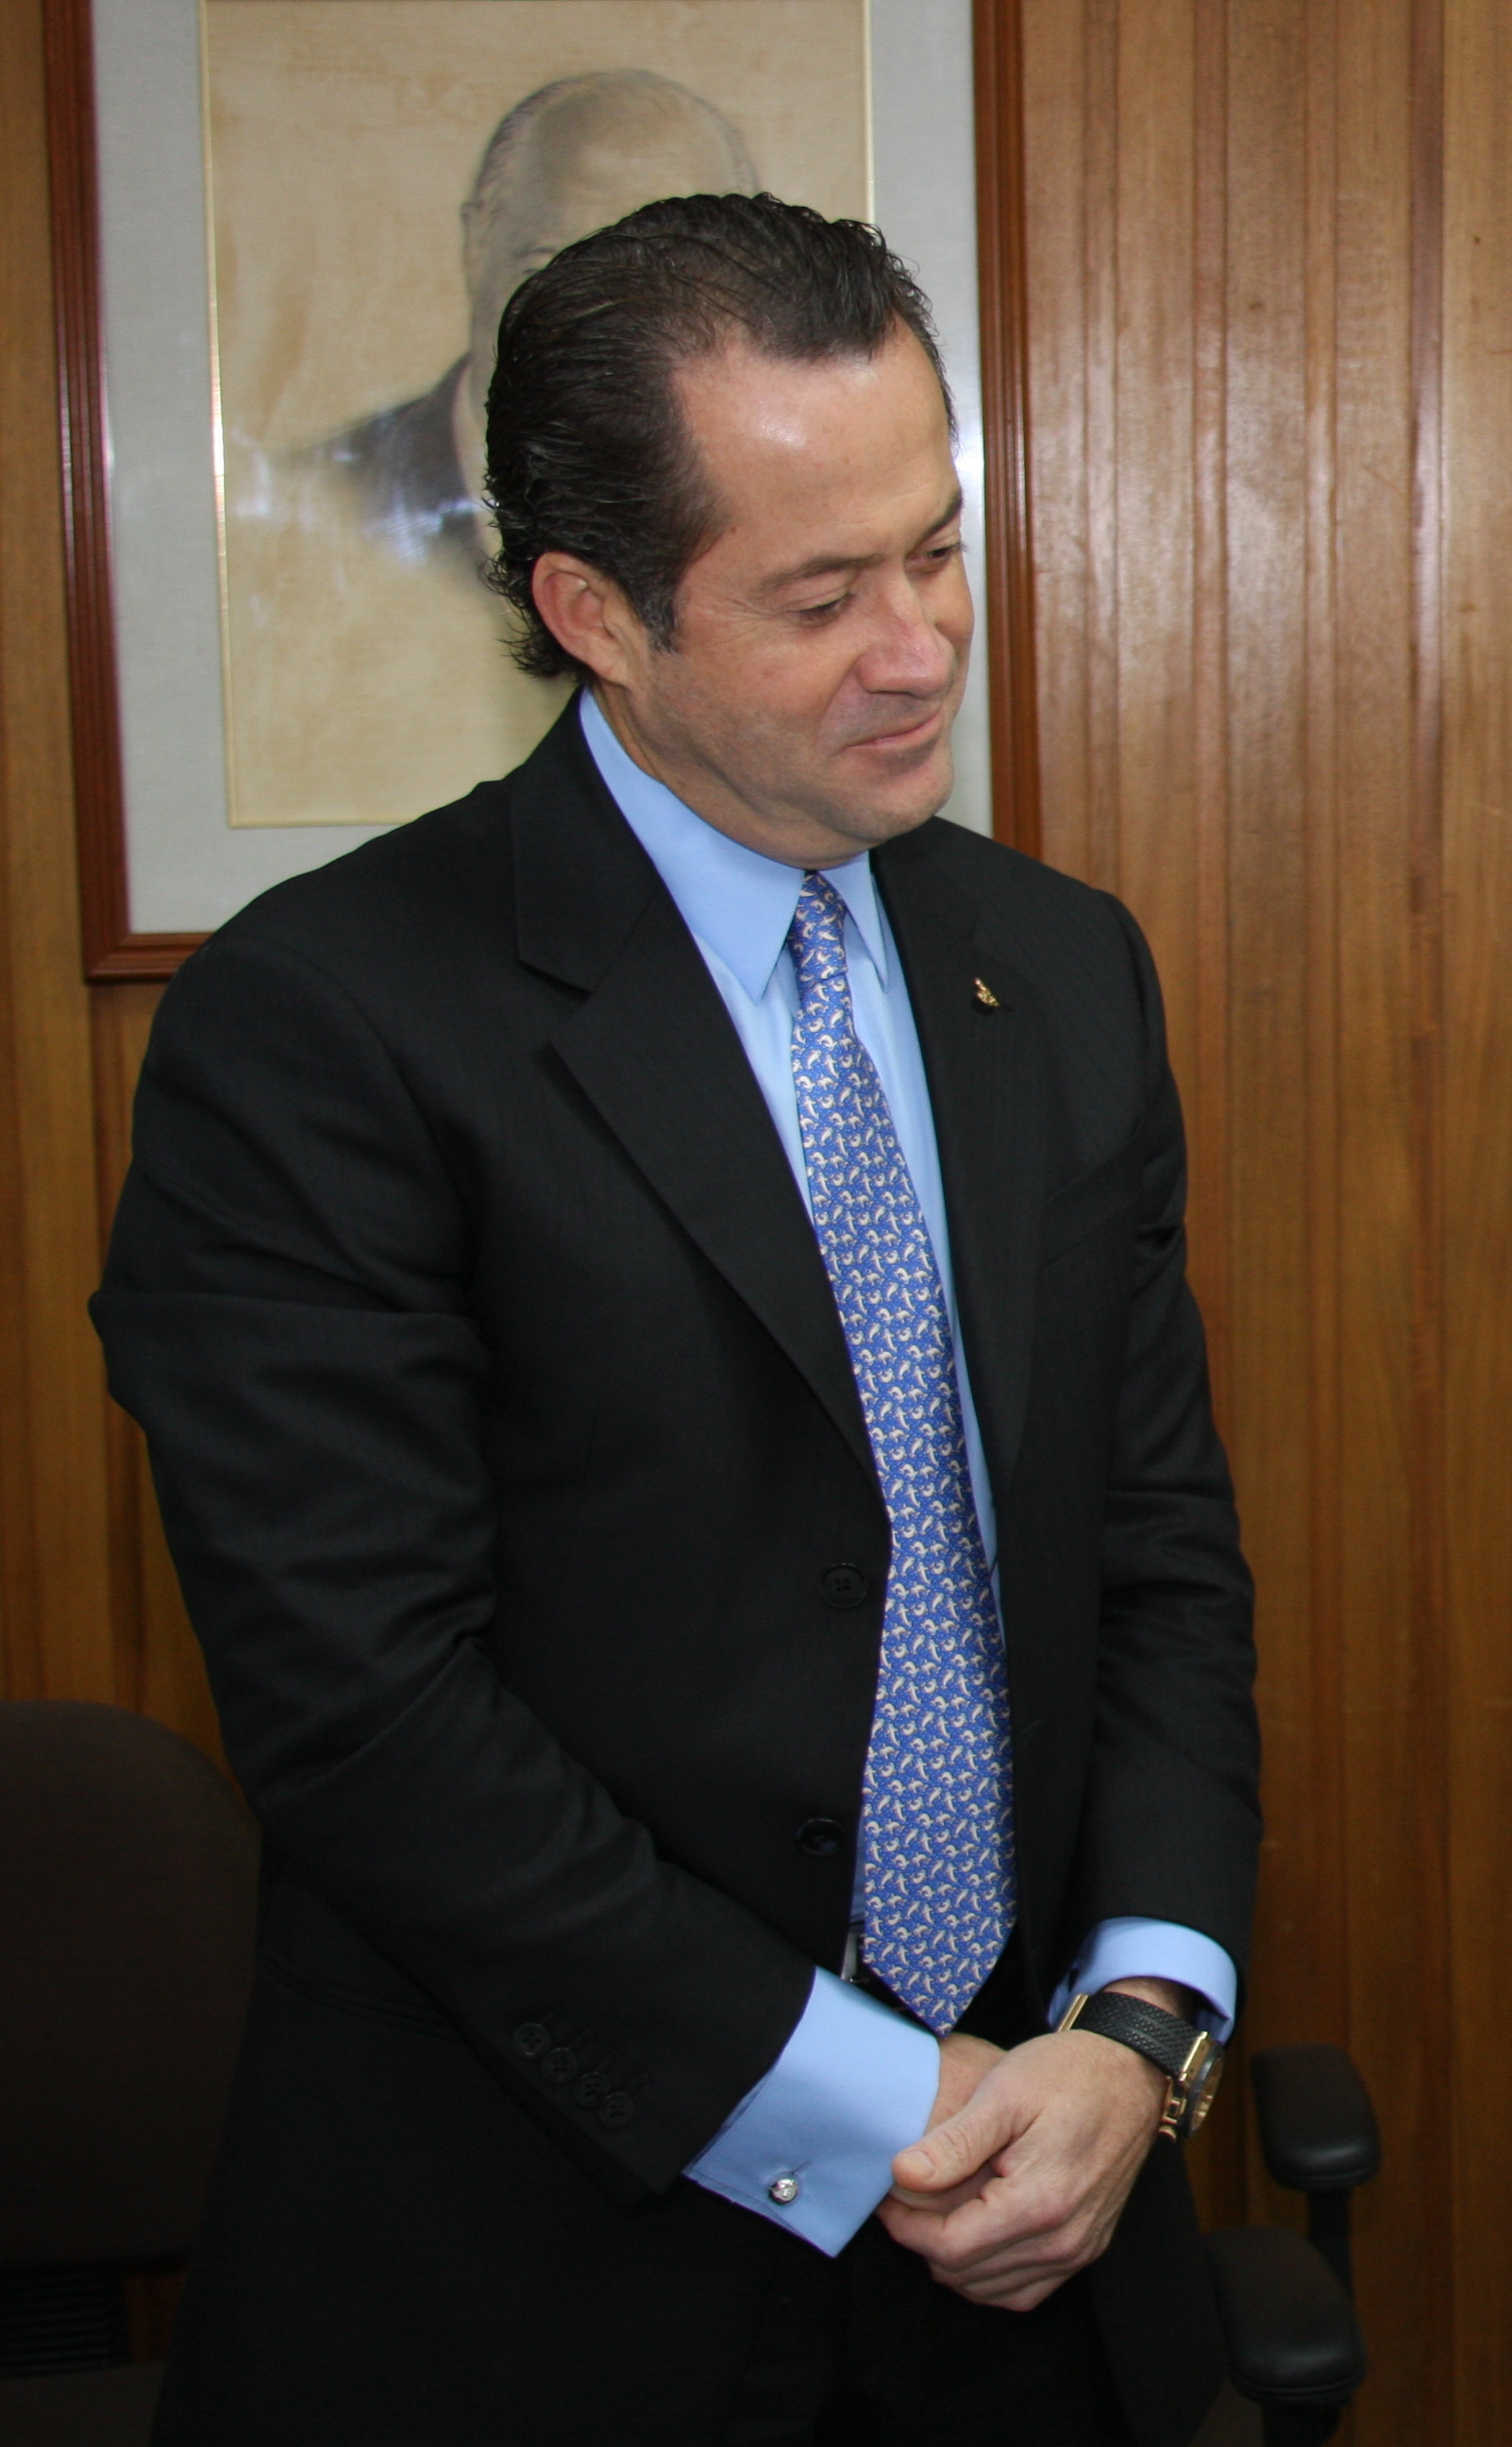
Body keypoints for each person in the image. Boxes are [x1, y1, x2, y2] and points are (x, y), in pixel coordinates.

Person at [96, 195, 1258, 2446]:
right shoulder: (326, 1024)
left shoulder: (1060, 970)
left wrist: (1142, 2024)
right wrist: (870, 2092)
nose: (920, 648)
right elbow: (368, 1713)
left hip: (1039, 2246)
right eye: (821, 599)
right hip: (543, 2259)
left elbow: (1157, 1558)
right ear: (594, 613)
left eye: (938, 553)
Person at [311, 69, 760, 580]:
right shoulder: (328, 492)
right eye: (548, 274)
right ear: (477, 242)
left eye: (667, 286)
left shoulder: (790, 502)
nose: (599, 333)